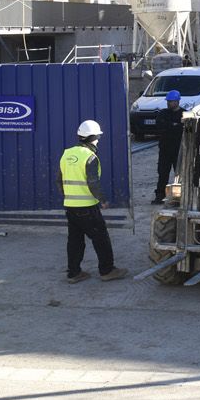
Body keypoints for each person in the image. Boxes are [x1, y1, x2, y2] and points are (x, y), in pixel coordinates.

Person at [58, 120, 126, 283]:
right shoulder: (90, 157)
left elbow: (59, 180)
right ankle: (107, 270)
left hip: (70, 207)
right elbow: (93, 182)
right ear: (93, 137)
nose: (98, 140)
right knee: (101, 238)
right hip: (87, 207)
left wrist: (68, 196)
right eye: (98, 137)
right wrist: (102, 199)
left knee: (75, 240)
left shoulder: (66, 154)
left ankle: (74, 273)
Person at [153, 90, 183, 204]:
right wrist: (173, 125)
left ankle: (179, 198)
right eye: (168, 101)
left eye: (171, 101)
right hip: (165, 150)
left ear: (177, 101)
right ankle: (160, 196)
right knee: (162, 173)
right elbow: (160, 125)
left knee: (179, 174)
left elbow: (182, 128)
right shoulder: (163, 113)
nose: (169, 103)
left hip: (178, 150)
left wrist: (171, 126)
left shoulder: (183, 114)